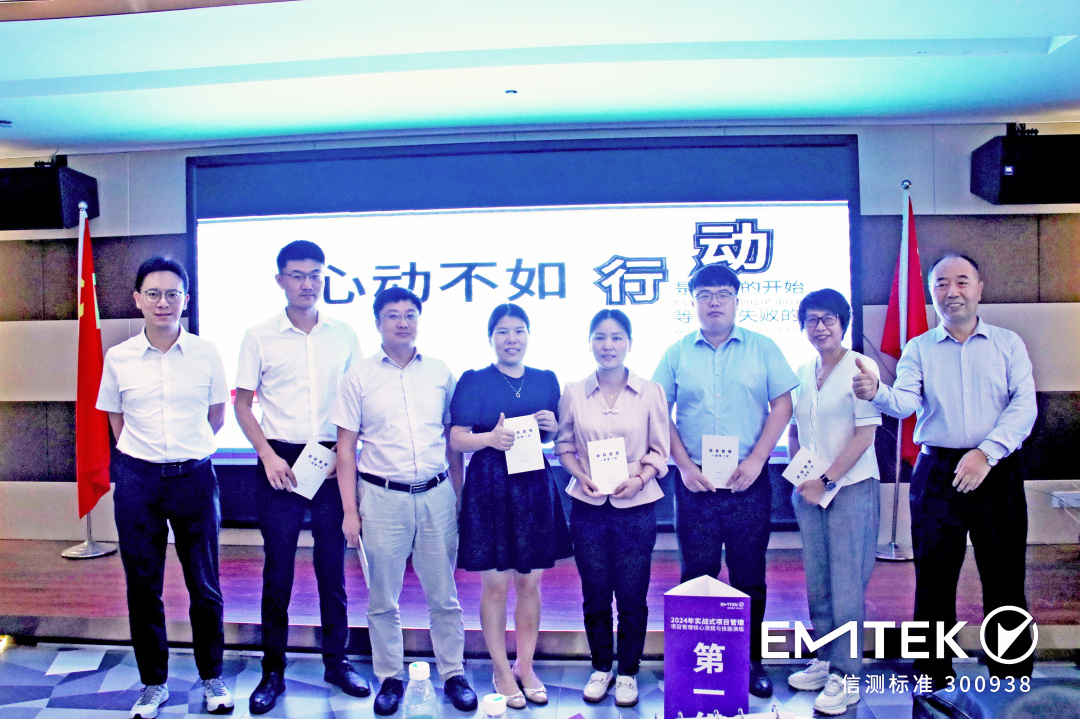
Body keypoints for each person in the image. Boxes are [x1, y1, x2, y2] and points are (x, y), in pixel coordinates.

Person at [853, 253, 1037, 688]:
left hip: (996, 470)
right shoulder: (919, 347)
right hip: (937, 472)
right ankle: (933, 675)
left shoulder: (1008, 344)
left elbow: (1024, 406)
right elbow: (903, 402)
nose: (951, 292)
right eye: (941, 284)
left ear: (979, 289)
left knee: (1005, 577)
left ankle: (1011, 677)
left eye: (961, 282)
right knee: (934, 579)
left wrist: (986, 453)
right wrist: (877, 391)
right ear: (932, 292)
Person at [233, 241, 368, 714]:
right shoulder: (258, 335)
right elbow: (242, 405)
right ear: (280, 280)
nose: (308, 283)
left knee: (333, 567)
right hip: (281, 460)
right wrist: (267, 455)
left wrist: (343, 454)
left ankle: (337, 661)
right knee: (279, 568)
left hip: (331, 457)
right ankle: (273, 670)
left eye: (316, 274)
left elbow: (357, 401)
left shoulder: (344, 334)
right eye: (297, 275)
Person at [96, 257, 233, 719]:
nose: (163, 302)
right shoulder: (119, 358)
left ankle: (212, 678)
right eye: (153, 293)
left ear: (186, 300)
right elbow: (116, 420)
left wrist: (186, 450)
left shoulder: (206, 352)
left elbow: (217, 416)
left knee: (205, 585)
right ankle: (153, 684)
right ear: (137, 299)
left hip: (195, 478)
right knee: (143, 587)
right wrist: (145, 457)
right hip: (138, 482)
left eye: (173, 294)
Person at [653, 263, 797, 699]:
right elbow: (660, 413)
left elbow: (783, 405)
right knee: (696, 574)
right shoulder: (676, 353)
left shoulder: (763, 348)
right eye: (704, 295)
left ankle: (749, 660)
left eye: (722, 294)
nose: (713, 302)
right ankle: (695, 660)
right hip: (694, 483)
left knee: (749, 574)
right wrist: (683, 466)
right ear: (693, 302)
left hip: (747, 481)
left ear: (736, 300)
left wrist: (757, 460)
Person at [331, 286, 477, 715]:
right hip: (381, 498)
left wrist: (458, 494)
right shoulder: (358, 377)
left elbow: (452, 439)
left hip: (436, 494)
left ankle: (453, 673)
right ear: (377, 322)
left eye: (410, 314)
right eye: (393, 315)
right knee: (382, 599)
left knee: (445, 596)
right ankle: (390, 677)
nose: (403, 322)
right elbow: (345, 449)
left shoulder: (440, 371)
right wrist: (350, 511)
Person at [449, 303, 572, 709]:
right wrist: (488, 439)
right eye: (502, 331)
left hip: (534, 485)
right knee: (496, 584)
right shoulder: (474, 380)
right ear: (491, 338)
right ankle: (501, 670)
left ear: (529, 336)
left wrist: (553, 428)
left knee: (530, 583)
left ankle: (526, 665)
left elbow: (553, 436)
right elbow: (457, 438)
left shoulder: (545, 380)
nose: (511, 339)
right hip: (490, 487)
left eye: (519, 330)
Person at [555, 309, 670, 708]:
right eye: (600, 337)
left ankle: (628, 672)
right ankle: (601, 666)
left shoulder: (651, 391)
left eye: (617, 337)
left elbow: (660, 451)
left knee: (633, 594)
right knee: (595, 593)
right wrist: (579, 475)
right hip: (588, 506)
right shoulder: (573, 392)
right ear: (589, 343)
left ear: (629, 344)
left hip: (635, 506)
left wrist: (639, 480)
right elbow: (564, 446)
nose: (608, 345)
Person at [785, 289, 880, 716]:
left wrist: (826, 480)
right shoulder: (804, 371)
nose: (819, 327)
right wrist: (801, 478)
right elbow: (794, 430)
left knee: (847, 585)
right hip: (810, 492)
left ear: (844, 322)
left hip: (851, 488)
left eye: (828, 318)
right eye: (811, 320)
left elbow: (865, 436)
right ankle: (826, 660)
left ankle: (848, 675)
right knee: (819, 580)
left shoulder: (860, 367)